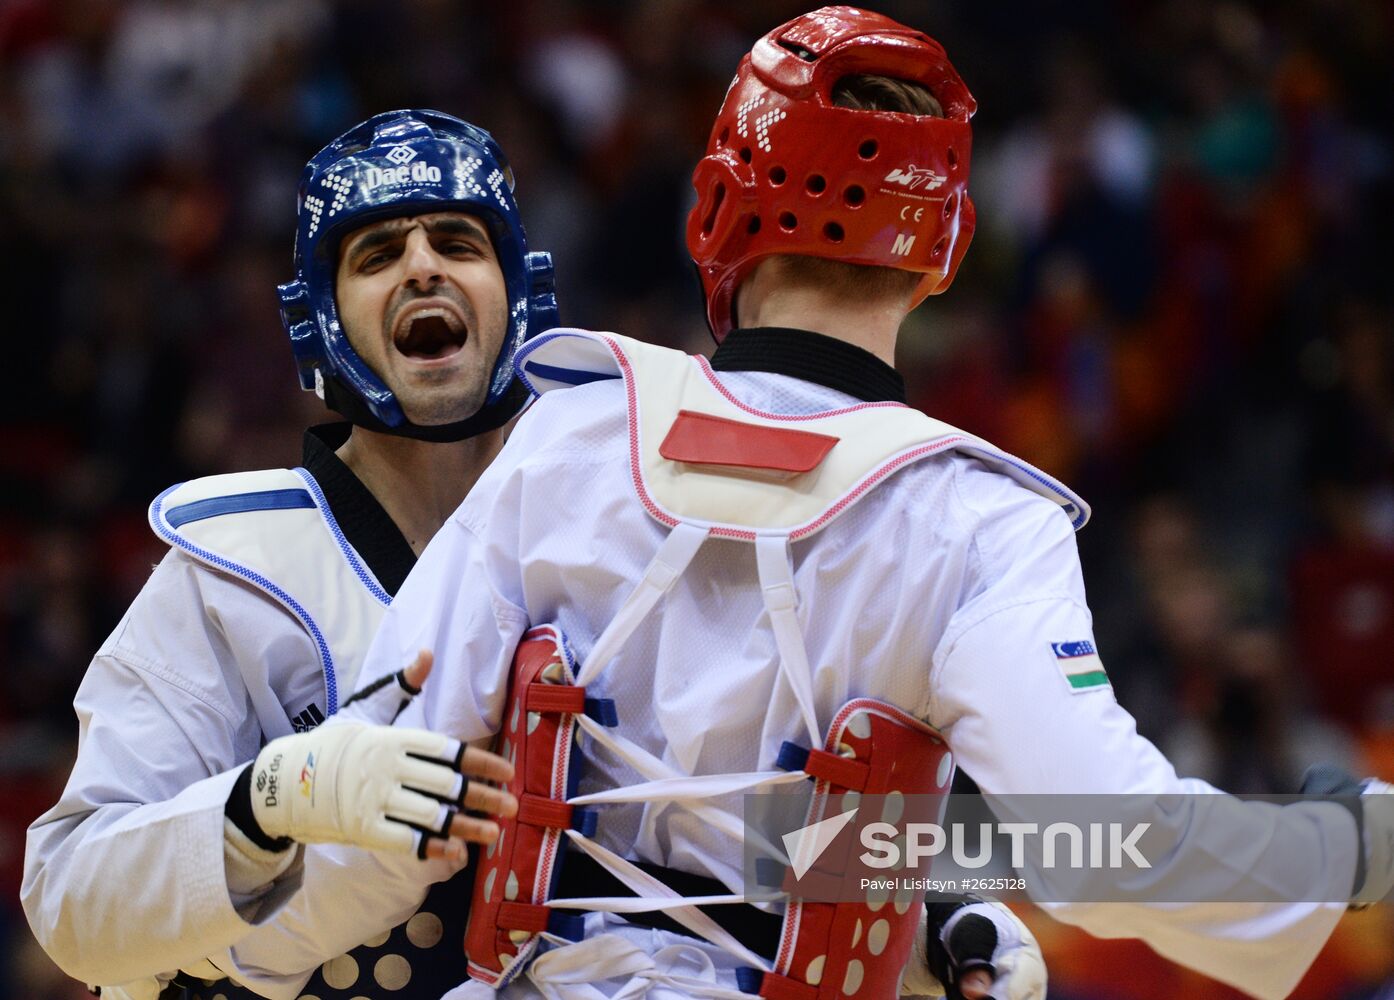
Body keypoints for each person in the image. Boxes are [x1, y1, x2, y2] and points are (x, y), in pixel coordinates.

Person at [302, 8, 1392, 1000]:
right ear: (945, 248)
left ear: (716, 206)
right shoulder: (979, 521)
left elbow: (373, 801)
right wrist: (1338, 850)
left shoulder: (569, 433)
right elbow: (1108, 849)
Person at [21, 109, 553, 1000]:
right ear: (321, 320)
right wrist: (270, 800)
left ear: (520, 288)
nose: (424, 266)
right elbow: (71, 902)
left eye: (459, 243)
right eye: (377, 255)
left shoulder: (609, 534)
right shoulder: (233, 571)